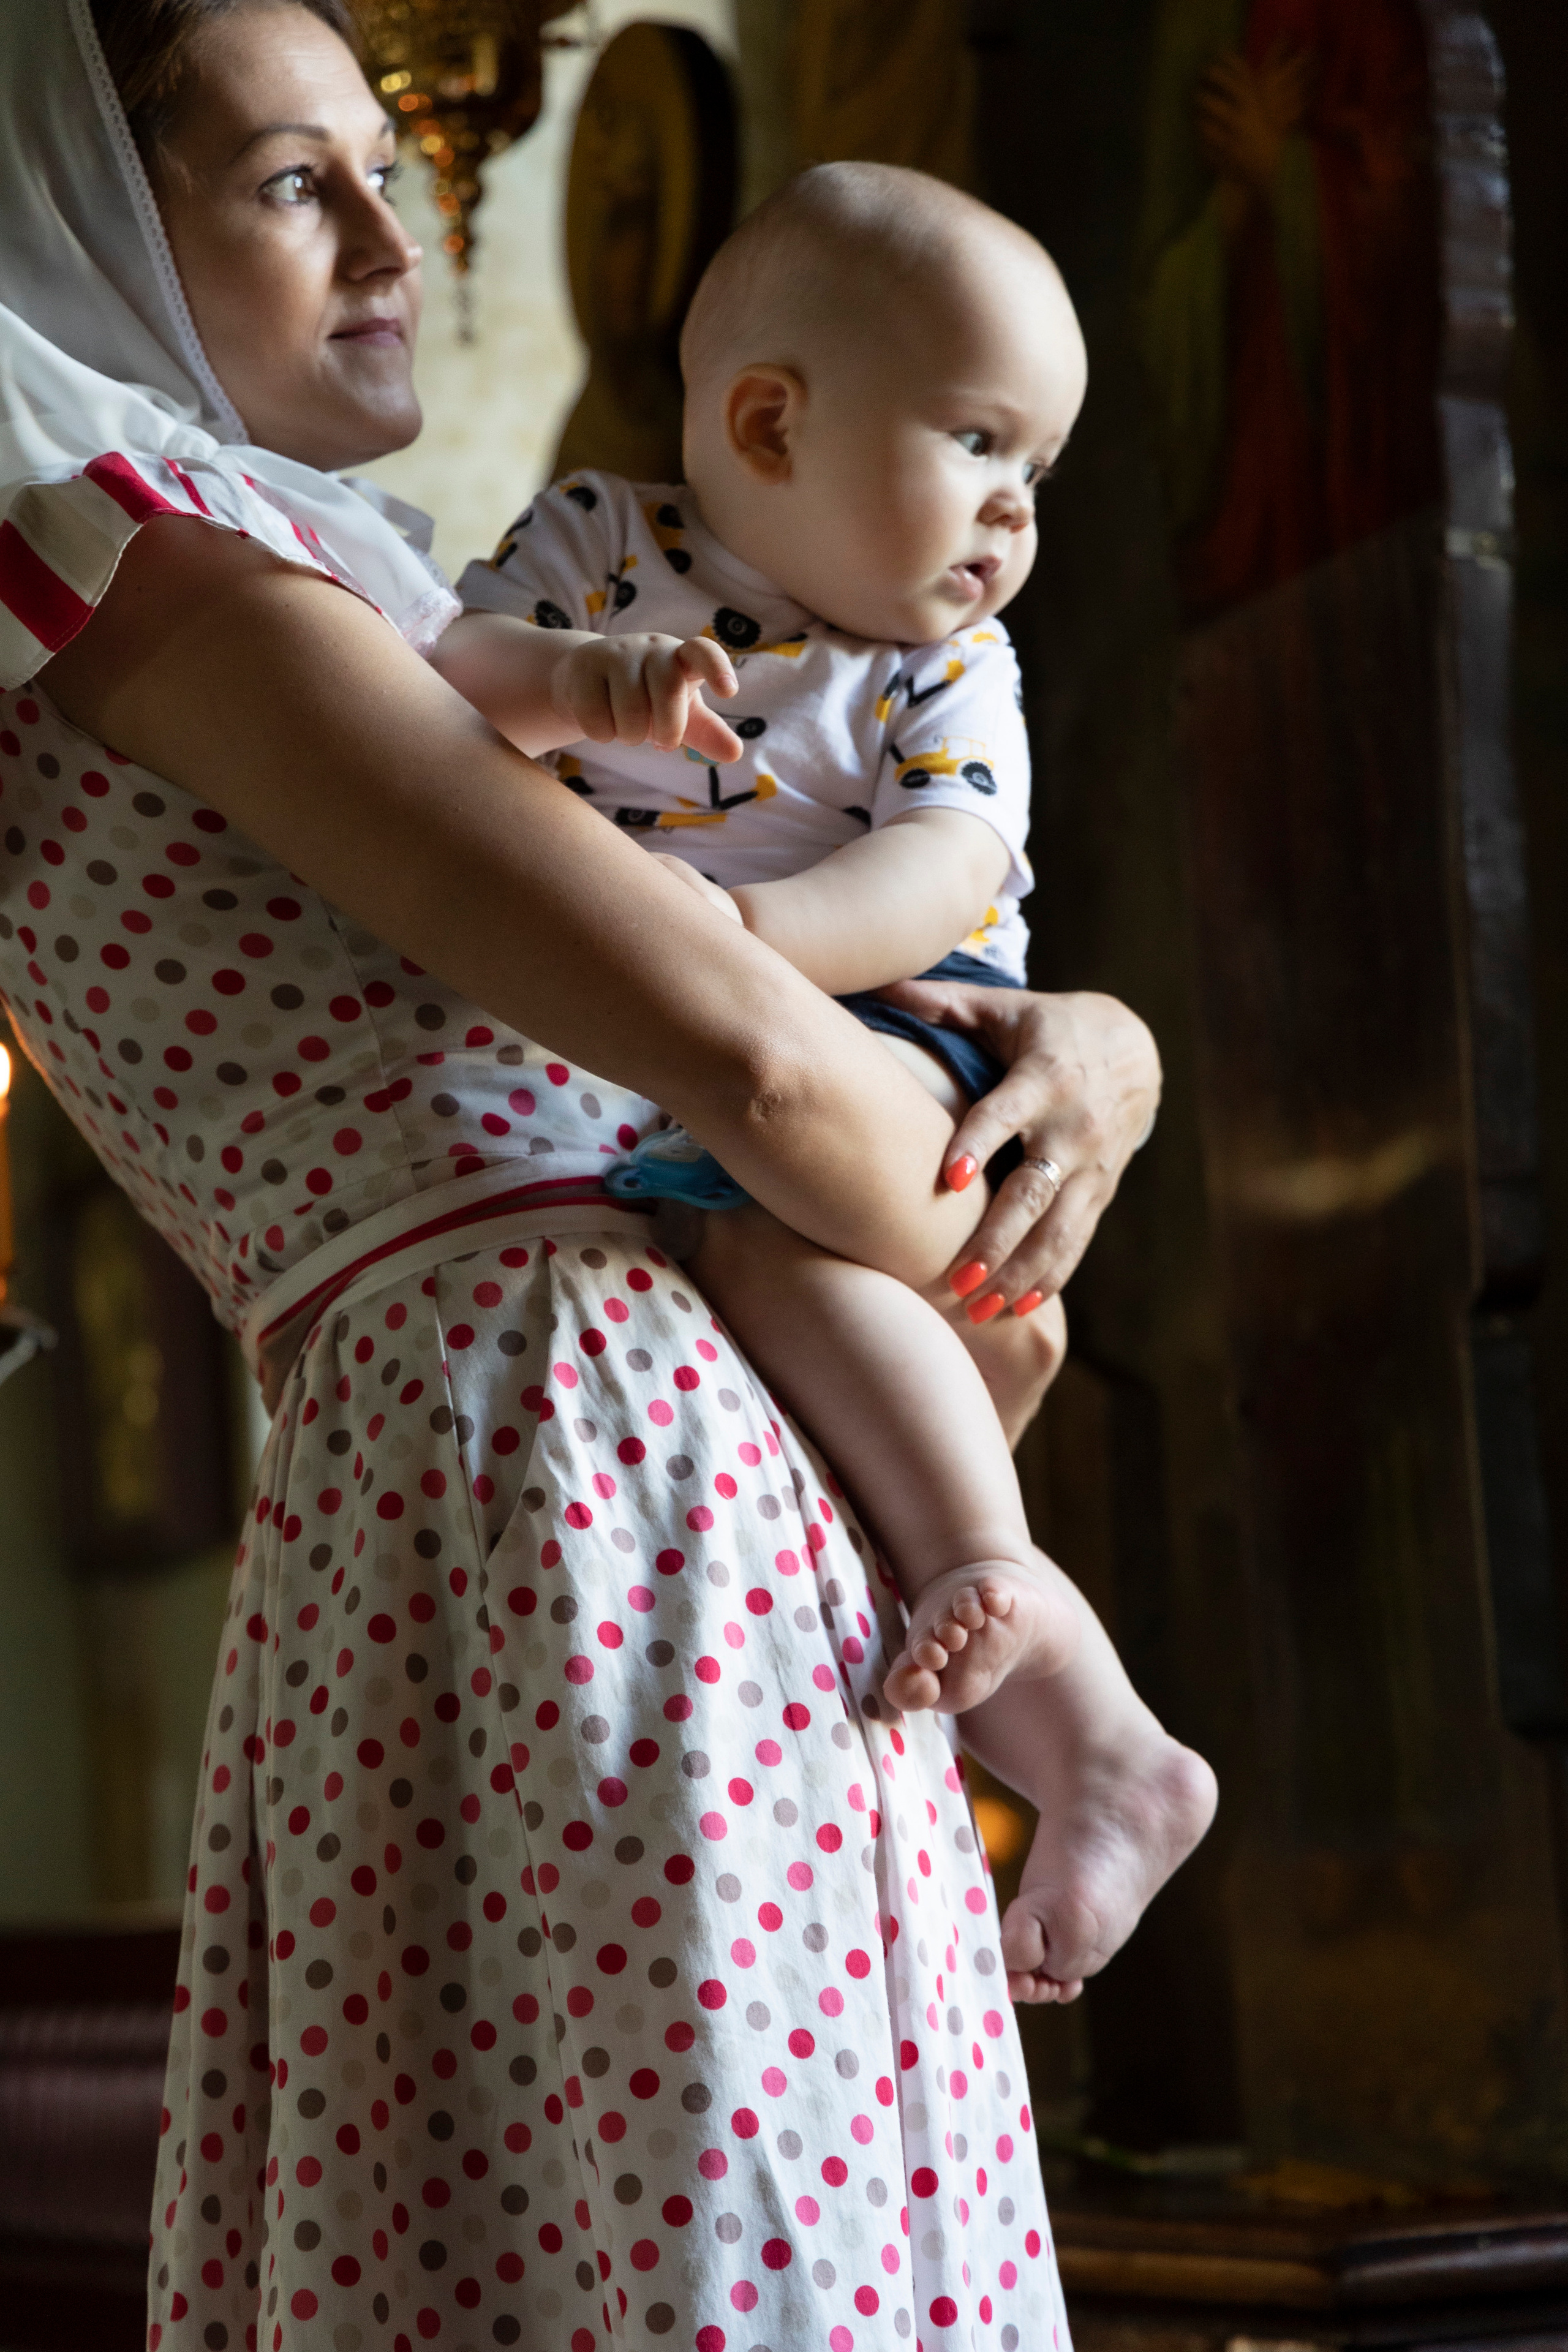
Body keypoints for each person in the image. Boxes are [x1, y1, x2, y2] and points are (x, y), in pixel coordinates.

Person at [0, 7, 1210, 2352]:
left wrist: (1087, 1049)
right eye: (293, 184)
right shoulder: (139, 558)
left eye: (387, 171)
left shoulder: (284, 584)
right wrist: (1069, 1103)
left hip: (528, 1483)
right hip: (587, 1471)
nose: (397, 244)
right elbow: (763, 1068)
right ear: (80, 212)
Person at [432, 172, 1207, 1935]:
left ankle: (1006, 1584)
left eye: (1039, 472)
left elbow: (945, 866)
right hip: (691, 1052)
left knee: (774, 1248)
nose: (1014, 509)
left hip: (903, 1030)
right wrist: (575, 686)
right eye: (980, 441)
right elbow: (448, 680)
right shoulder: (597, 540)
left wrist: (747, 949)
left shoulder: (951, 663)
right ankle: (1101, 1746)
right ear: (770, 424)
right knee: (786, 1332)